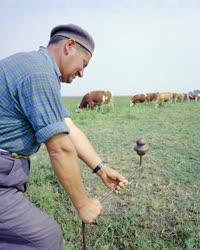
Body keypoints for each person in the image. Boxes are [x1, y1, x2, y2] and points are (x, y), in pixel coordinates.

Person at [0, 24, 128, 249]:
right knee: (46, 238)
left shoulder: (37, 68)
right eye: (83, 64)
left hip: (7, 174)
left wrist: (101, 168)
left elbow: (70, 128)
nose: (82, 72)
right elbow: (60, 148)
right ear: (69, 46)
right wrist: (83, 204)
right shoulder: (39, 74)